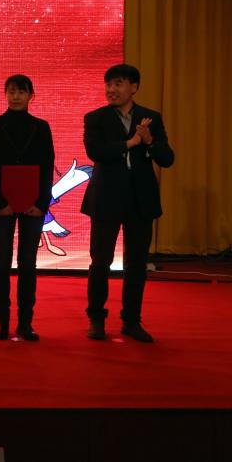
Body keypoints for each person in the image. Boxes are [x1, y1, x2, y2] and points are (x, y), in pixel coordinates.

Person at [82, 63, 174, 343]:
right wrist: (130, 143)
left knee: (136, 263)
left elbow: (167, 159)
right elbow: (95, 151)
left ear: (134, 87)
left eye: (118, 84)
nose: (111, 89)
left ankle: (131, 321)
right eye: (108, 84)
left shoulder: (151, 118)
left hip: (140, 200)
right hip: (106, 198)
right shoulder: (95, 118)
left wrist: (149, 141)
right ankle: (97, 319)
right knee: (101, 262)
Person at [0, 74, 55, 341]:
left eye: (21, 92)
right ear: (5, 94)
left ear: (31, 96)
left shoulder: (42, 127)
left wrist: (41, 203)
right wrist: (0, 202)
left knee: (27, 262)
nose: (16, 96)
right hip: (1, 205)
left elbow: (47, 167)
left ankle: (25, 322)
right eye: (11, 91)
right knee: (1, 261)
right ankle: (1, 320)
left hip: (33, 205)